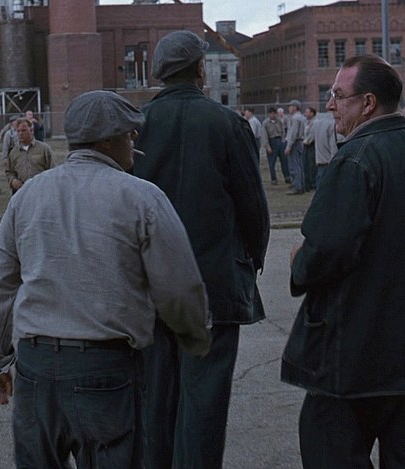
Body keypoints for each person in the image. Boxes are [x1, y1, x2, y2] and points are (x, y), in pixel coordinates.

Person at [0, 90, 211, 468]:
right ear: (106, 141)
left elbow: (0, 283)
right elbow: (179, 285)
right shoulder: (142, 198)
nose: (134, 142)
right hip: (105, 369)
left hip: (37, 367)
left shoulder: (28, 196)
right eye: (129, 134)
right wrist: (194, 336)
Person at [282, 55, 405, 468]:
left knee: (330, 446)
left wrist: (300, 261)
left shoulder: (356, 158)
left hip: (356, 354)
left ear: (367, 103)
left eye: (338, 95)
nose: (330, 105)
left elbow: (326, 251)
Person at [132, 30, 270, 469]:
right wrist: (253, 257)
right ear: (199, 70)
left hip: (150, 286)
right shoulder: (227, 123)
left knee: (155, 403)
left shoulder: (136, 126)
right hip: (213, 283)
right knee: (204, 406)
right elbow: (253, 206)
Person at [5, 118, 53, 194]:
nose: (20, 133)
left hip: (41, 191)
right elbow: (10, 172)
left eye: (23, 130)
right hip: (21, 192)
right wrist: (13, 180)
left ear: (31, 130)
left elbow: (53, 169)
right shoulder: (13, 153)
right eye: (18, 131)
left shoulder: (44, 149)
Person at [284, 99, 307, 195]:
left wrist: (289, 146)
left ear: (295, 107)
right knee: (299, 165)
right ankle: (301, 184)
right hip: (300, 142)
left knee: (294, 166)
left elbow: (293, 133)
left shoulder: (295, 118)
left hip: (295, 143)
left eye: (290, 106)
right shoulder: (302, 117)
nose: (289, 108)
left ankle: (297, 186)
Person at [261, 107, 290, 184]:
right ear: (269, 114)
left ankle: (287, 176)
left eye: (274, 113)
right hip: (271, 141)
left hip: (280, 140)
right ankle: (273, 179)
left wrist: (283, 140)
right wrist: (267, 146)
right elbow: (264, 135)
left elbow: (283, 131)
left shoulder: (279, 121)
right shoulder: (265, 123)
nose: (273, 115)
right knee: (272, 162)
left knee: (284, 161)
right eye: (271, 113)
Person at [309, 111, 338, 187]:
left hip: (320, 159)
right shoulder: (332, 123)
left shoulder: (317, 123)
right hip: (329, 161)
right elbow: (333, 145)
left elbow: (310, 138)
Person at [302, 107, 318, 191]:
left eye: (307, 112)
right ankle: (307, 184)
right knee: (306, 165)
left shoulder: (315, 122)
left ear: (312, 113)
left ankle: (313, 184)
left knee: (312, 166)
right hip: (306, 145)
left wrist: (306, 141)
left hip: (311, 145)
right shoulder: (307, 122)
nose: (305, 114)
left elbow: (312, 135)